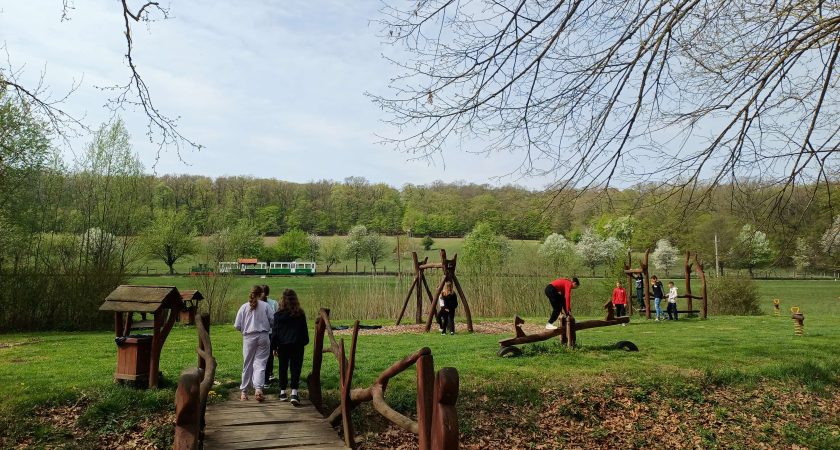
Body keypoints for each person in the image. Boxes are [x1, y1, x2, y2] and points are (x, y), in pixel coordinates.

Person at [234, 285, 274, 402]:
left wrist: (244, 330)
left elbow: (237, 325)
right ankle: (258, 389)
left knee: (247, 364)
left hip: (248, 337)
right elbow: (272, 321)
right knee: (261, 363)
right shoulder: (266, 306)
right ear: (261, 294)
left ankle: (244, 392)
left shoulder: (244, 307)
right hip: (263, 336)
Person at [272, 289, 309, 406]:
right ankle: (294, 392)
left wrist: (274, 347)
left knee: (282, 368)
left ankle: (282, 392)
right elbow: (305, 332)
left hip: (282, 345)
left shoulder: (278, 315)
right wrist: (303, 342)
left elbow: (275, 333)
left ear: (282, 300)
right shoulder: (300, 314)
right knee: (295, 368)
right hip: (297, 344)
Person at [261, 285, 278, 385]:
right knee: (267, 355)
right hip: (269, 332)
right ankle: (266, 376)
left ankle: (269, 374)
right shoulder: (273, 303)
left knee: (269, 355)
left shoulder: (273, 303)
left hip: (270, 332)